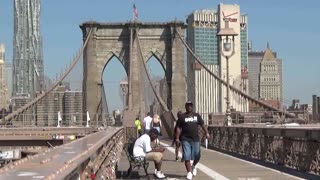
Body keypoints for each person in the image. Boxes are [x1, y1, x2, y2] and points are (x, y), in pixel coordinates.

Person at [175, 101, 210, 180]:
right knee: (187, 156)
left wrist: (207, 133)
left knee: (197, 156)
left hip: (195, 139)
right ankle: (189, 172)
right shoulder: (182, 117)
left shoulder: (197, 116)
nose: (189, 107)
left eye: (190, 106)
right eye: (188, 106)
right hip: (185, 139)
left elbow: (202, 125)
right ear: (185, 107)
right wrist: (177, 138)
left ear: (192, 106)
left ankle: (194, 165)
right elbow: (178, 128)